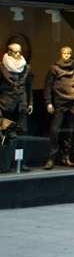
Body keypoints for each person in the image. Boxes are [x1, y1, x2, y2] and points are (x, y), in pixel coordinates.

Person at [44, 45, 74, 169]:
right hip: (59, 103)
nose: (66, 55)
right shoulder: (54, 69)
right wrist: (48, 102)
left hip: (73, 102)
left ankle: (65, 156)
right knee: (55, 131)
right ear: (60, 54)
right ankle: (51, 158)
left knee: (69, 131)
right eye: (64, 53)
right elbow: (48, 86)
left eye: (68, 53)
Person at [0, 40, 33, 173]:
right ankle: (5, 164)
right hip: (6, 104)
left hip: (22, 104)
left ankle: (21, 162)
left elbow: (29, 86)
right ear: (9, 52)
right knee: (7, 136)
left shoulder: (26, 67)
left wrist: (30, 103)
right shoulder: (2, 68)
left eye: (20, 51)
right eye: (15, 52)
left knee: (23, 134)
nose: (18, 54)